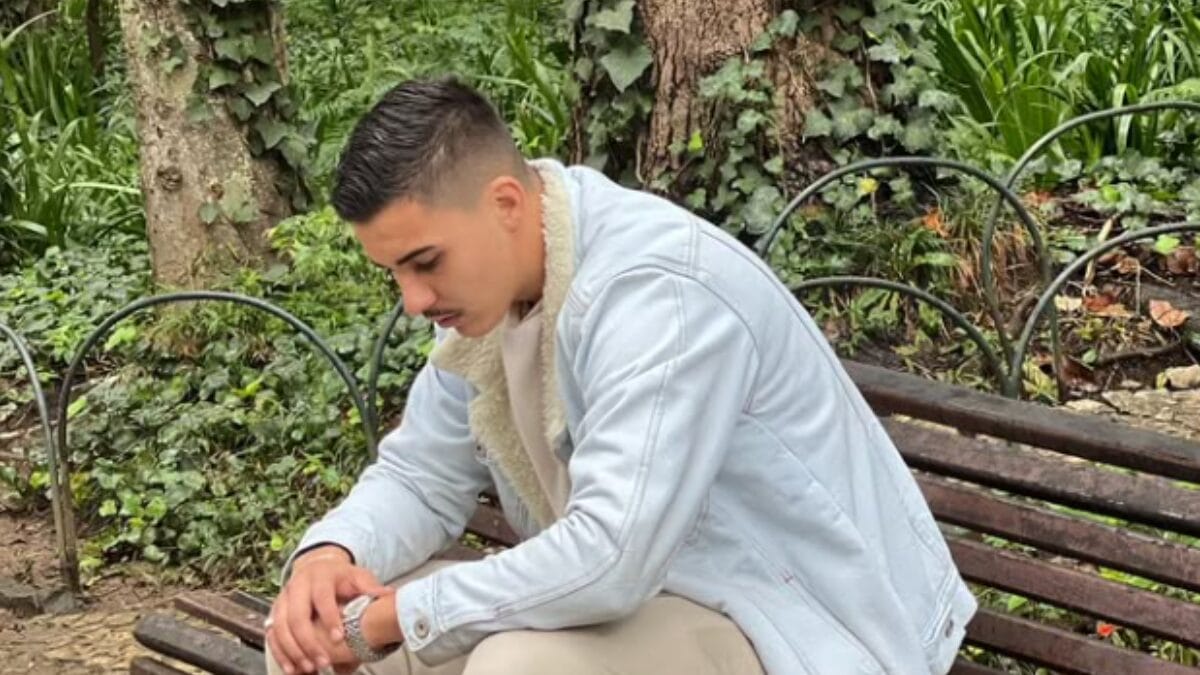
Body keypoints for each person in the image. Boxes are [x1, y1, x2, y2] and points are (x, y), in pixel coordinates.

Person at [264, 76, 977, 675]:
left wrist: (398, 615)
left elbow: (611, 556)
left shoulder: (657, 292)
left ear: (505, 204)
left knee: (520, 667)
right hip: (643, 609)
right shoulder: (484, 302)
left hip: (795, 622)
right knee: (309, 643)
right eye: (393, 272)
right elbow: (422, 474)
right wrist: (330, 556)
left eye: (425, 262)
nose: (414, 299)